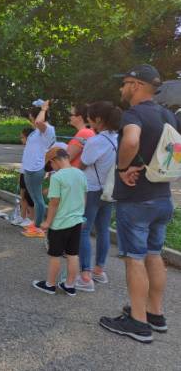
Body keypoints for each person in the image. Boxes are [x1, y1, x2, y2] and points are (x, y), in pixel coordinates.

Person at [100, 64, 180, 344]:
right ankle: (155, 314)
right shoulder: (169, 115)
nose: (121, 89)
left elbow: (131, 140)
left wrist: (124, 169)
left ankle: (137, 321)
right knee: (153, 255)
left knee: (134, 258)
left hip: (136, 201)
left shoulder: (133, 114)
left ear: (135, 85)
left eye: (124, 84)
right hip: (162, 198)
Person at [75, 101, 120, 293]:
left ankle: (85, 276)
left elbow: (83, 164)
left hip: (91, 189)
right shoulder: (119, 138)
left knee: (83, 230)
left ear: (99, 119)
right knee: (103, 230)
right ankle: (99, 270)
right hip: (110, 190)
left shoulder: (96, 141)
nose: (88, 120)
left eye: (90, 117)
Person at [32, 148, 87, 297]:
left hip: (60, 223)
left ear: (53, 161)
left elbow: (54, 202)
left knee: (55, 255)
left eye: (51, 166)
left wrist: (47, 222)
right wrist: (82, 215)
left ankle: (50, 284)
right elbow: (84, 196)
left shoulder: (57, 177)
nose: (51, 169)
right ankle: (70, 285)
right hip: (76, 220)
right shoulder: (80, 174)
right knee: (73, 254)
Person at [21, 100, 56, 238]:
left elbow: (39, 123)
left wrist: (44, 108)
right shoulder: (36, 131)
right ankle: (36, 224)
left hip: (36, 168)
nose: (30, 119)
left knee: (38, 199)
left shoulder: (47, 129)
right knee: (35, 198)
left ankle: (38, 228)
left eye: (31, 116)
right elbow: (36, 124)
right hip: (29, 168)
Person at [12, 127, 35, 227]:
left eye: (22, 137)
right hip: (23, 173)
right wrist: (20, 174)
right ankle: (22, 216)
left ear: (29, 138)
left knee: (29, 197)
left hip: (31, 174)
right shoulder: (26, 148)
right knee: (23, 196)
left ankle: (31, 219)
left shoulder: (35, 149)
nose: (21, 139)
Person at [67, 104, 95, 168]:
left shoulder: (84, 132)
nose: (69, 117)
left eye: (71, 115)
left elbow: (66, 158)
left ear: (79, 117)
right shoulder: (89, 131)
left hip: (75, 174)